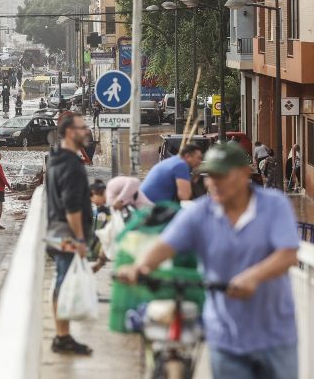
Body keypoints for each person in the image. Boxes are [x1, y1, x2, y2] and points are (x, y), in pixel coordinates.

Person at [118, 143, 299, 379]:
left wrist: (253, 277)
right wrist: (138, 267)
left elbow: (287, 253)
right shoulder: (199, 213)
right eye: (209, 176)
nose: (214, 182)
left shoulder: (274, 205)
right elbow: (164, 246)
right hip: (225, 338)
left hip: (275, 336)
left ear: (245, 173)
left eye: (222, 175)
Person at [46, 111, 93, 355]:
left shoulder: (55, 160)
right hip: (67, 234)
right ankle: (62, 337)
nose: (86, 131)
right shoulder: (72, 165)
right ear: (69, 132)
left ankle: (62, 335)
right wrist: (81, 239)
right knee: (64, 283)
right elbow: (72, 206)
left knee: (61, 282)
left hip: (55, 229)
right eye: (82, 127)